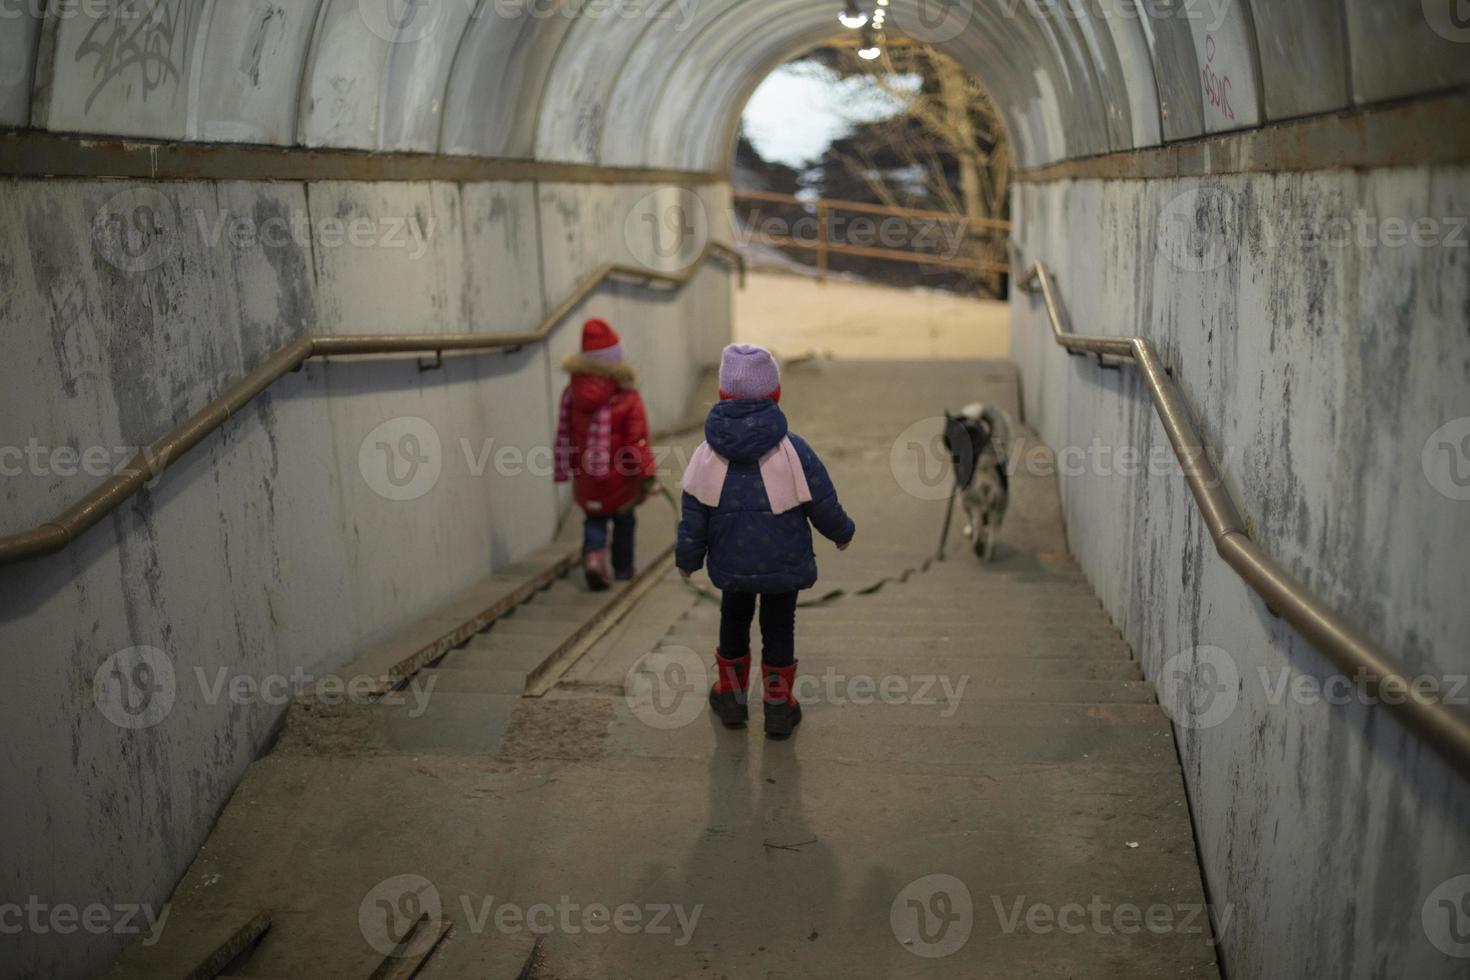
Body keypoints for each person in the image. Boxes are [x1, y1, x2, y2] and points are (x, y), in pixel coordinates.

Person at [676, 344, 856, 738]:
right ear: (775, 395)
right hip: (783, 563)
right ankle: (777, 708)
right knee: (779, 628)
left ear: (723, 395)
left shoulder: (706, 455)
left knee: (734, 622)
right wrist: (842, 532)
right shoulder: (794, 450)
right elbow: (822, 501)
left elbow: (694, 515)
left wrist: (687, 559)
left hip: (733, 564)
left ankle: (732, 700)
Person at [554, 318, 657, 590]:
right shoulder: (627, 396)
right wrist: (647, 474)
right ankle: (623, 569)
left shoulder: (571, 394)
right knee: (624, 520)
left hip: (587, 474)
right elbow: (637, 441)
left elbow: (566, 432)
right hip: (621, 478)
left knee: (594, 518)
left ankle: (594, 559)